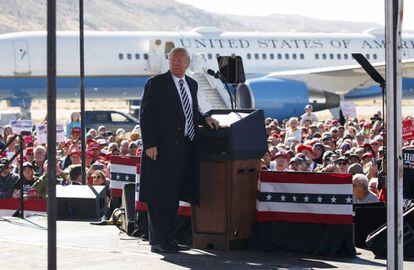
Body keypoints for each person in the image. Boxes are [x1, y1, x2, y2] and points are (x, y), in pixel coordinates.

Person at [139, 47, 219, 253]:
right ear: (169, 61)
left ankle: (169, 239)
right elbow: (146, 115)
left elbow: (189, 112)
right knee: (159, 197)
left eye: (180, 60)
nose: (176, 63)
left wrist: (206, 118)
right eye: (173, 60)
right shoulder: (156, 83)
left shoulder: (191, 84)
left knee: (173, 196)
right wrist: (150, 144)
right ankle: (158, 241)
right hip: (160, 150)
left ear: (187, 63)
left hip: (184, 149)